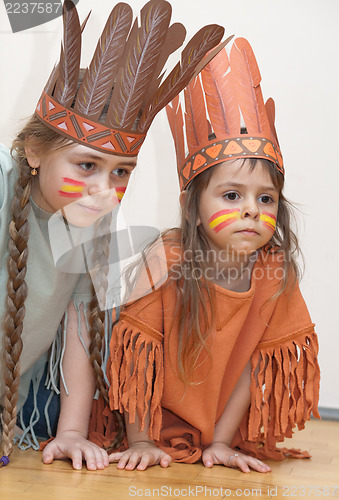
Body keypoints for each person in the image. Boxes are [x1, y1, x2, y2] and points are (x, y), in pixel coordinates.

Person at [0, 0, 224, 469]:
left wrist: (73, 433)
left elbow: (80, 330)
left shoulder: (94, 226)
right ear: (36, 151)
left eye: (122, 172)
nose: (106, 191)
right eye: (86, 166)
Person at [106, 38, 320, 472]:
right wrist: (141, 441)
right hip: (147, 418)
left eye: (266, 199)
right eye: (231, 195)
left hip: (217, 421)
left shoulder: (273, 271)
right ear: (193, 210)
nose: (251, 210)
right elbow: (138, 355)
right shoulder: (169, 260)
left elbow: (249, 365)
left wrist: (221, 442)